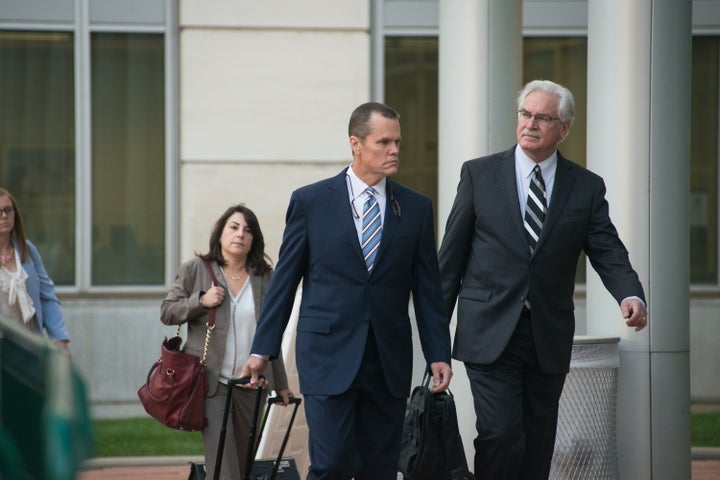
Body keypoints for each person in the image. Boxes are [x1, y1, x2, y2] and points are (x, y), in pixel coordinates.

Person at [438, 79, 648, 479]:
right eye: (525, 114)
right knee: (500, 434)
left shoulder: (585, 187)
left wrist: (629, 293)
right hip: (488, 332)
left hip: (547, 335)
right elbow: (449, 263)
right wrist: (436, 343)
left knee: (537, 442)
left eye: (543, 117)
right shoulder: (479, 175)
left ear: (564, 128)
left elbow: (607, 249)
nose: (530, 124)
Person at [240, 101, 453, 480]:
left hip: (387, 359)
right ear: (355, 143)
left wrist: (439, 351)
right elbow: (285, 281)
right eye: (383, 142)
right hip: (326, 354)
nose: (394, 150)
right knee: (332, 464)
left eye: (397, 142)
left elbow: (427, 289)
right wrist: (262, 348)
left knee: (380, 468)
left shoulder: (416, 208)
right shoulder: (311, 202)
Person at [161, 204, 294, 479]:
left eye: (247, 230)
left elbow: (271, 333)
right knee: (224, 465)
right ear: (220, 233)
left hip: (252, 384)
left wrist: (280, 383)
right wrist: (201, 301)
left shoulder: (264, 277)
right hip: (211, 383)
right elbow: (167, 311)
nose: (240, 234)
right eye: (233, 227)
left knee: (242, 466)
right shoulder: (194, 270)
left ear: (254, 239)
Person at [0, 187, 71, 356]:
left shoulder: (27, 250)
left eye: (7, 210)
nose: (3, 216)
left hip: (28, 344)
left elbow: (47, 297)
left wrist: (60, 340)